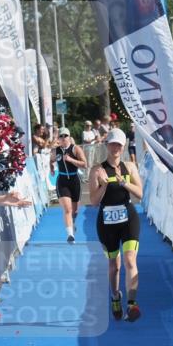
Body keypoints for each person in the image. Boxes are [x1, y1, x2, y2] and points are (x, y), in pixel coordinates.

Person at [89, 128, 143, 322]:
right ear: (107, 145)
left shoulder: (130, 166)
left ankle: (132, 303)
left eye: (119, 145)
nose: (115, 148)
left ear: (124, 146)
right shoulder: (97, 169)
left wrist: (124, 184)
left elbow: (140, 193)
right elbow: (94, 201)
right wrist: (103, 185)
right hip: (107, 221)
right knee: (114, 266)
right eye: (112, 144)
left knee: (130, 260)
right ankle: (115, 297)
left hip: (128, 217)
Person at [50, 127, 86, 242]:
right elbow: (51, 161)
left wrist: (71, 160)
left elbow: (85, 164)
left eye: (65, 136)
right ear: (58, 138)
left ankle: (72, 222)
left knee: (74, 211)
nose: (63, 138)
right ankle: (70, 235)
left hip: (75, 180)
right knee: (67, 209)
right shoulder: (56, 151)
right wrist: (51, 168)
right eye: (61, 136)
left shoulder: (76, 149)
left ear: (69, 137)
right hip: (62, 181)